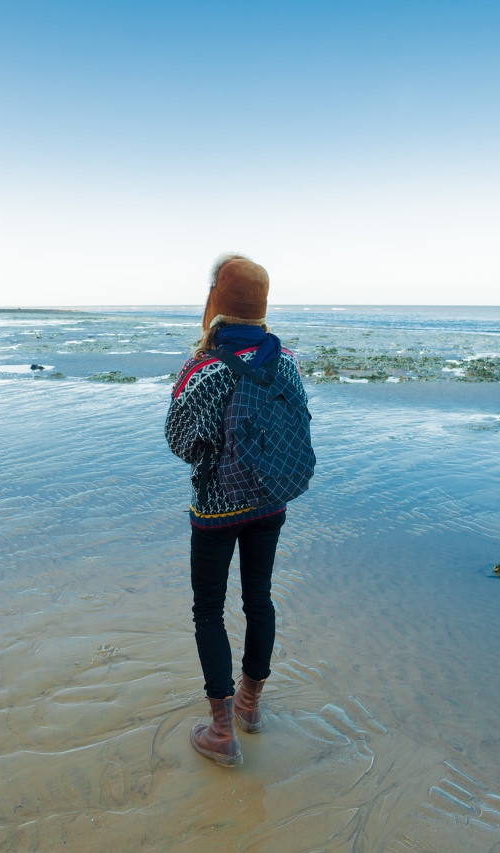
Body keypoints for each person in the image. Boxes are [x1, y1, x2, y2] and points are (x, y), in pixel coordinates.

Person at [165, 253, 310, 767]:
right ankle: (249, 706)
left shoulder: (201, 369)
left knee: (209, 608)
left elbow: (179, 441)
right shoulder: (286, 360)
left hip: (215, 509)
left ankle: (221, 729)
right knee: (258, 600)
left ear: (215, 303)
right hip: (271, 500)